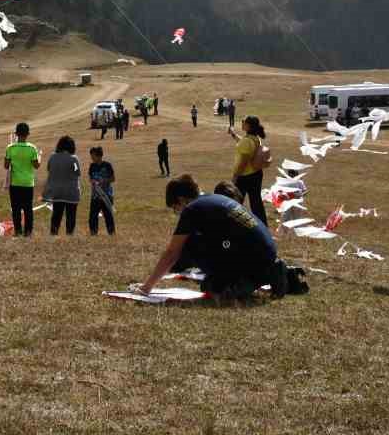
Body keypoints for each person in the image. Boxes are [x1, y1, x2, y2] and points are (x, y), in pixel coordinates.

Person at [139, 175, 282, 299]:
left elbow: (172, 253)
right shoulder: (215, 199)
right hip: (267, 255)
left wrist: (147, 287)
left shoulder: (192, 209)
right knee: (208, 279)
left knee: (190, 244)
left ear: (182, 200)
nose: (177, 212)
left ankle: (237, 283)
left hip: (254, 262)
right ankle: (258, 276)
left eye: (175, 208)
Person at [230, 116, 270, 229]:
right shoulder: (254, 138)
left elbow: (243, 163)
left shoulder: (247, 141)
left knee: (235, 203)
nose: (241, 123)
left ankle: (235, 227)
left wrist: (235, 177)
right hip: (256, 174)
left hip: (244, 177)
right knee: (256, 202)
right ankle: (263, 226)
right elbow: (242, 142)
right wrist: (233, 135)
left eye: (243, 122)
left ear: (248, 125)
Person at [4, 122, 40, 238]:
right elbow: (36, 166)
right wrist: (39, 156)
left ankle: (18, 231)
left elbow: (6, 165)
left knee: (16, 209)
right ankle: (28, 232)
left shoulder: (10, 148)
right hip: (28, 183)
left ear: (16, 134)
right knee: (28, 208)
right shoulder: (32, 148)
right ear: (27, 134)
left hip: (15, 183)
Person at [44, 135, 81, 236]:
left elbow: (49, 168)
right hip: (71, 193)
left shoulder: (52, 157)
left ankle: (53, 233)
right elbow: (77, 172)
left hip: (57, 192)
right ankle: (70, 234)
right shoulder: (74, 159)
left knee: (56, 215)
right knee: (71, 216)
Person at [88, 146, 116, 235]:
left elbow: (113, 179)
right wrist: (92, 181)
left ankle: (111, 233)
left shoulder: (107, 165)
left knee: (108, 216)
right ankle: (93, 233)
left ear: (99, 156)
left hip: (106, 195)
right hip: (95, 196)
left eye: (93, 156)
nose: (92, 158)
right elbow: (90, 178)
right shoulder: (92, 166)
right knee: (93, 216)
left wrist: (103, 181)